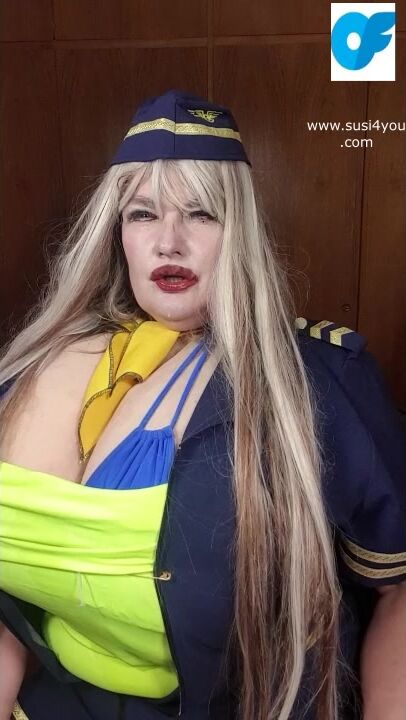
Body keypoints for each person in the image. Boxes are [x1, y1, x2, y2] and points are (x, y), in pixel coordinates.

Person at [0, 89, 405, 720]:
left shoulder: (324, 382)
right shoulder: (32, 365)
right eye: (143, 214)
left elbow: (396, 591)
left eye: (201, 214)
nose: (169, 242)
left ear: (239, 232)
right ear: (117, 234)